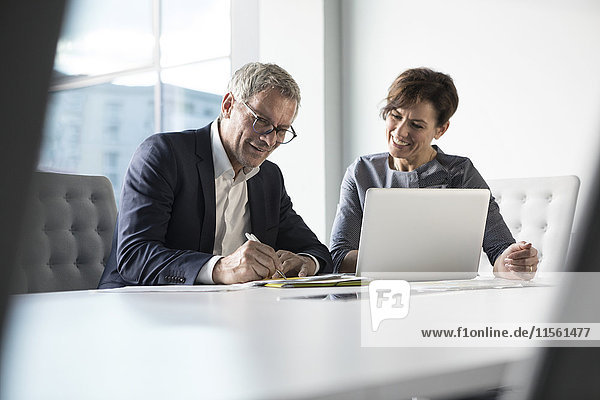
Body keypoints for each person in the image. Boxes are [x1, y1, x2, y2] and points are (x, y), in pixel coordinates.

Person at [99, 62, 332, 288]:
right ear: (228, 105)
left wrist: (306, 263)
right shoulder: (164, 155)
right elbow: (134, 256)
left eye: (281, 130)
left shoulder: (269, 177)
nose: (270, 140)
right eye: (261, 121)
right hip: (139, 307)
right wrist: (221, 268)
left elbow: (316, 250)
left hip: (225, 312)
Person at [329, 67, 538, 280]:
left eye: (416, 125)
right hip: (375, 300)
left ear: (440, 130)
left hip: (445, 300)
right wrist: (406, 259)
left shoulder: (460, 173)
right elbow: (339, 259)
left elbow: (499, 249)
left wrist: (514, 261)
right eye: (395, 116)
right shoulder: (362, 172)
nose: (400, 131)